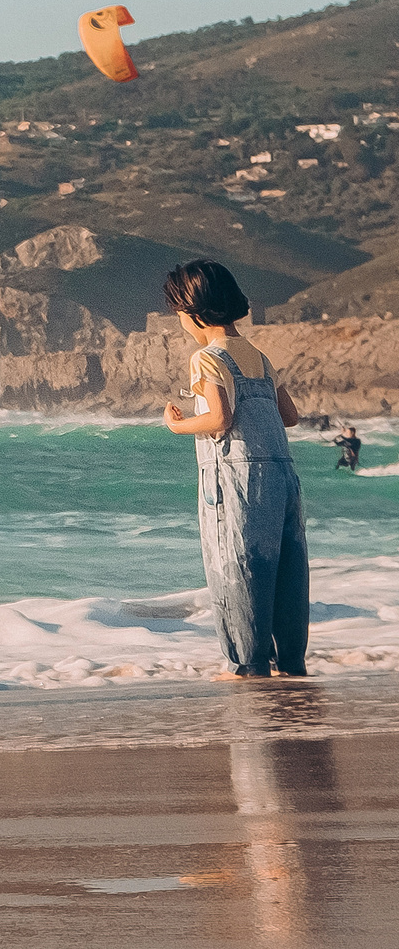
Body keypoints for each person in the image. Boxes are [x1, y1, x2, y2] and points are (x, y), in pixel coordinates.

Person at [160, 259, 307, 677]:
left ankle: (247, 663)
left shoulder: (206, 358)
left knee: (237, 564)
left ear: (195, 313)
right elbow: (289, 416)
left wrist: (178, 424)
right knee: (286, 568)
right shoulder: (259, 357)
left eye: (179, 312)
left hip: (237, 478)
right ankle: (292, 660)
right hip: (281, 475)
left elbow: (220, 419)